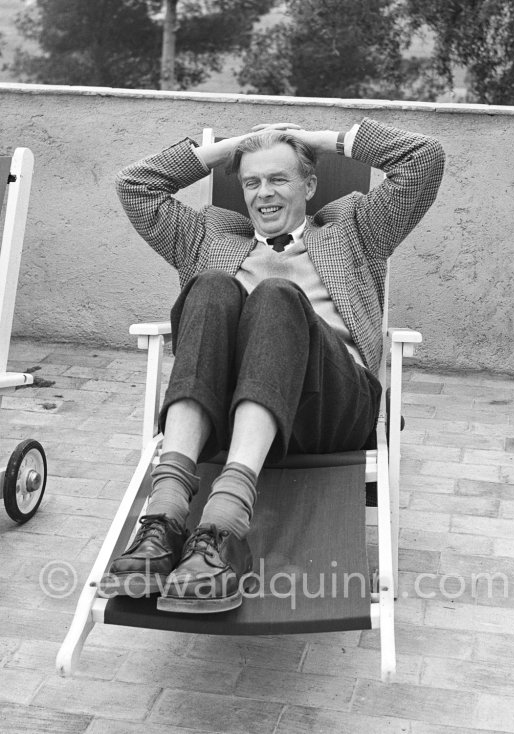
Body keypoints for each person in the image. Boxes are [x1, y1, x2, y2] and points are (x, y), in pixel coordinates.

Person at [107, 117, 445, 613]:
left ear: (309, 184)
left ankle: (226, 516)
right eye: (251, 182)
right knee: (210, 286)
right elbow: (134, 186)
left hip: (331, 408)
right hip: (229, 416)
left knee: (275, 297)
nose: (264, 194)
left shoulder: (356, 227)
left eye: (279, 179)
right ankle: (166, 516)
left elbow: (424, 159)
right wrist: (228, 150)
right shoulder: (206, 234)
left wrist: (319, 142)